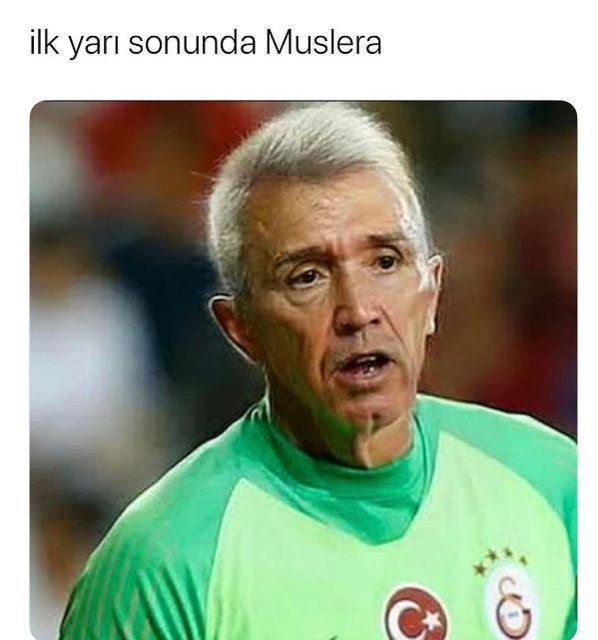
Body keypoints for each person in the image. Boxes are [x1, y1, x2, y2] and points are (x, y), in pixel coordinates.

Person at [59, 103, 576, 640]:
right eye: (307, 276)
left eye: (385, 262)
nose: (358, 310)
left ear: (431, 293)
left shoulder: (553, 483)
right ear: (241, 330)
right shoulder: (162, 566)